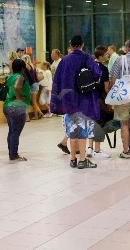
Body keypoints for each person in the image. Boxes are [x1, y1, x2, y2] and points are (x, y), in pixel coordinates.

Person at [51, 34, 102, 169]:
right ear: (82, 44)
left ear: (71, 45)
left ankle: (73, 159)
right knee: (83, 131)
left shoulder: (64, 60)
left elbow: (57, 80)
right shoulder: (87, 58)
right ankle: (82, 160)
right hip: (84, 99)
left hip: (68, 100)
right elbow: (97, 74)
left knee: (72, 131)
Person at [2, 59, 32, 162]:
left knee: (12, 131)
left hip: (7, 105)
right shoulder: (20, 76)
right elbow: (16, 87)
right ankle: (14, 155)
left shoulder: (9, 77)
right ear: (23, 68)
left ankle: (12, 153)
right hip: (17, 107)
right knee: (15, 132)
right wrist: (19, 97)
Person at [88, 46, 111, 158]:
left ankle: (89, 148)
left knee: (91, 123)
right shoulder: (104, 69)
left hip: (88, 99)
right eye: (106, 54)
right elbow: (106, 88)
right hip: (99, 100)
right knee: (99, 124)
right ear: (101, 56)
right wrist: (110, 100)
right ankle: (97, 150)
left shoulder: (88, 66)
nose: (107, 56)